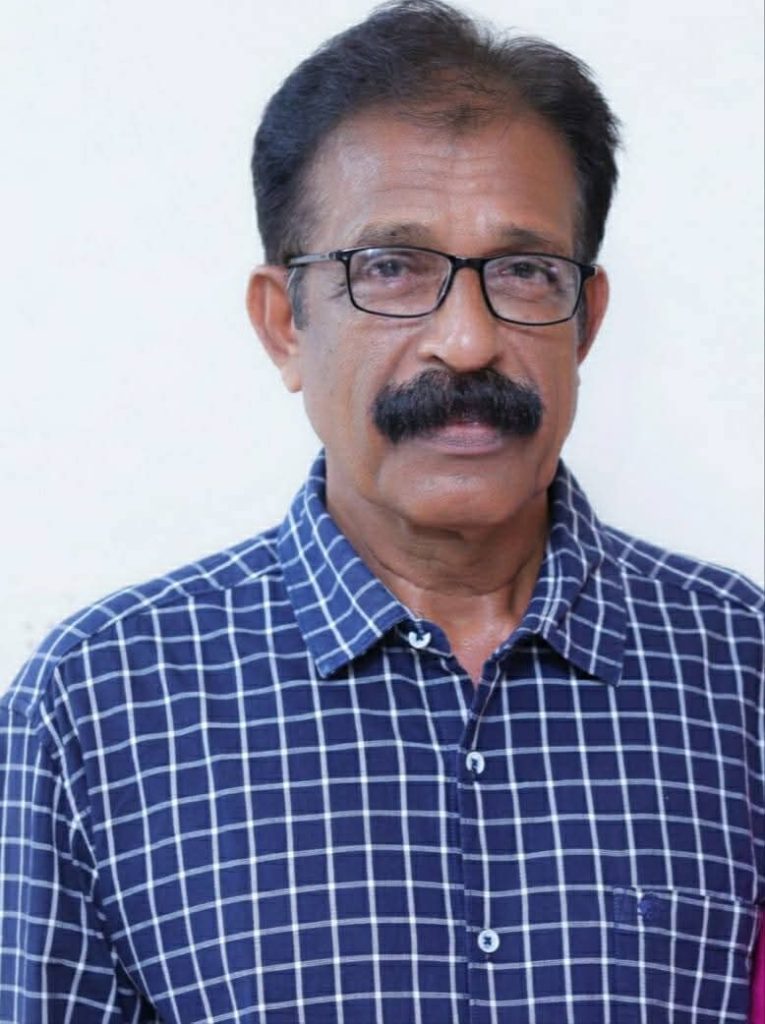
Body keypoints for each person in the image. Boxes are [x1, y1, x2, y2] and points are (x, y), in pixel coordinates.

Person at [1, 1, 763, 1021]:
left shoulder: (743, 671)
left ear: (586, 321)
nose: (465, 340)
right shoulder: (96, 710)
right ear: (284, 326)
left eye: (526, 272)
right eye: (390, 268)